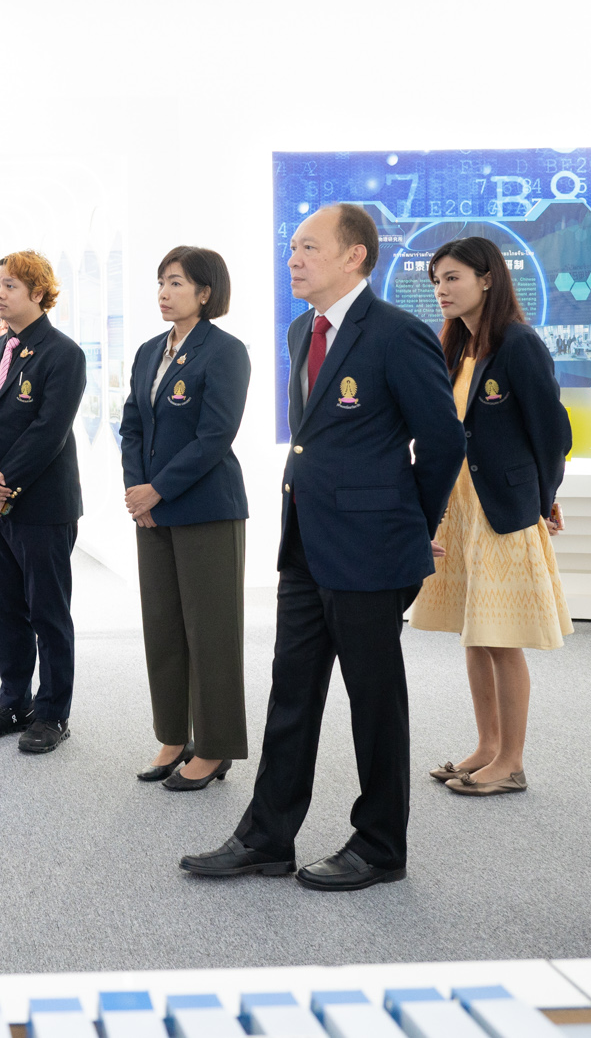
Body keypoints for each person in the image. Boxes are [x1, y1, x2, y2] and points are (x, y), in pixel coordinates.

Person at [181, 204, 462, 891]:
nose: (294, 258)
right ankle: (266, 836)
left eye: (309, 246)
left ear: (355, 256)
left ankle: (380, 845)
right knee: (292, 692)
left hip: (372, 548)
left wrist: (407, 526)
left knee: (374, 702)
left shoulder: (397, 334)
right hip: (305, 542)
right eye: (291, 247)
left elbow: (445, 441)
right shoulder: (302, 328)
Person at [409, 236, 573, 797]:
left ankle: (512, 761)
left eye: (451, 278)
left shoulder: (519, 344)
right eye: (436, 281)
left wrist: (541, 498)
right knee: (474, 635)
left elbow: (553, 434)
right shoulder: (455, 347)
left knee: (502, 639)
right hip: (458, 510)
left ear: (487, 279)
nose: (441, 290)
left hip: (502, 510)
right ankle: (486, 746)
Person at [120, 246, 251, 793]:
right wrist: (137, 491)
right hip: (153, 511)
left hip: (206, 509)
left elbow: (215, 436)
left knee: (211, 632)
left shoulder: (224, 351)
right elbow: (132, 425)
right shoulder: (151, 350)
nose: (164, 292)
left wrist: (158, 490)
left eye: (176, 283)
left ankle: (215, 747)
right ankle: (174, 736)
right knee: (165, 629)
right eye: (161, 282)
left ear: (205, 292)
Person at [0, 251, 87, 754]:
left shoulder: (62, 353)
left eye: (9, 285)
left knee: (47, 611)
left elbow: (48, 431)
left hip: (41, 504)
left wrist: (2, 486)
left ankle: (52, 712)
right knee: (3, 608)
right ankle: (13, 700)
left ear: (39, 293)